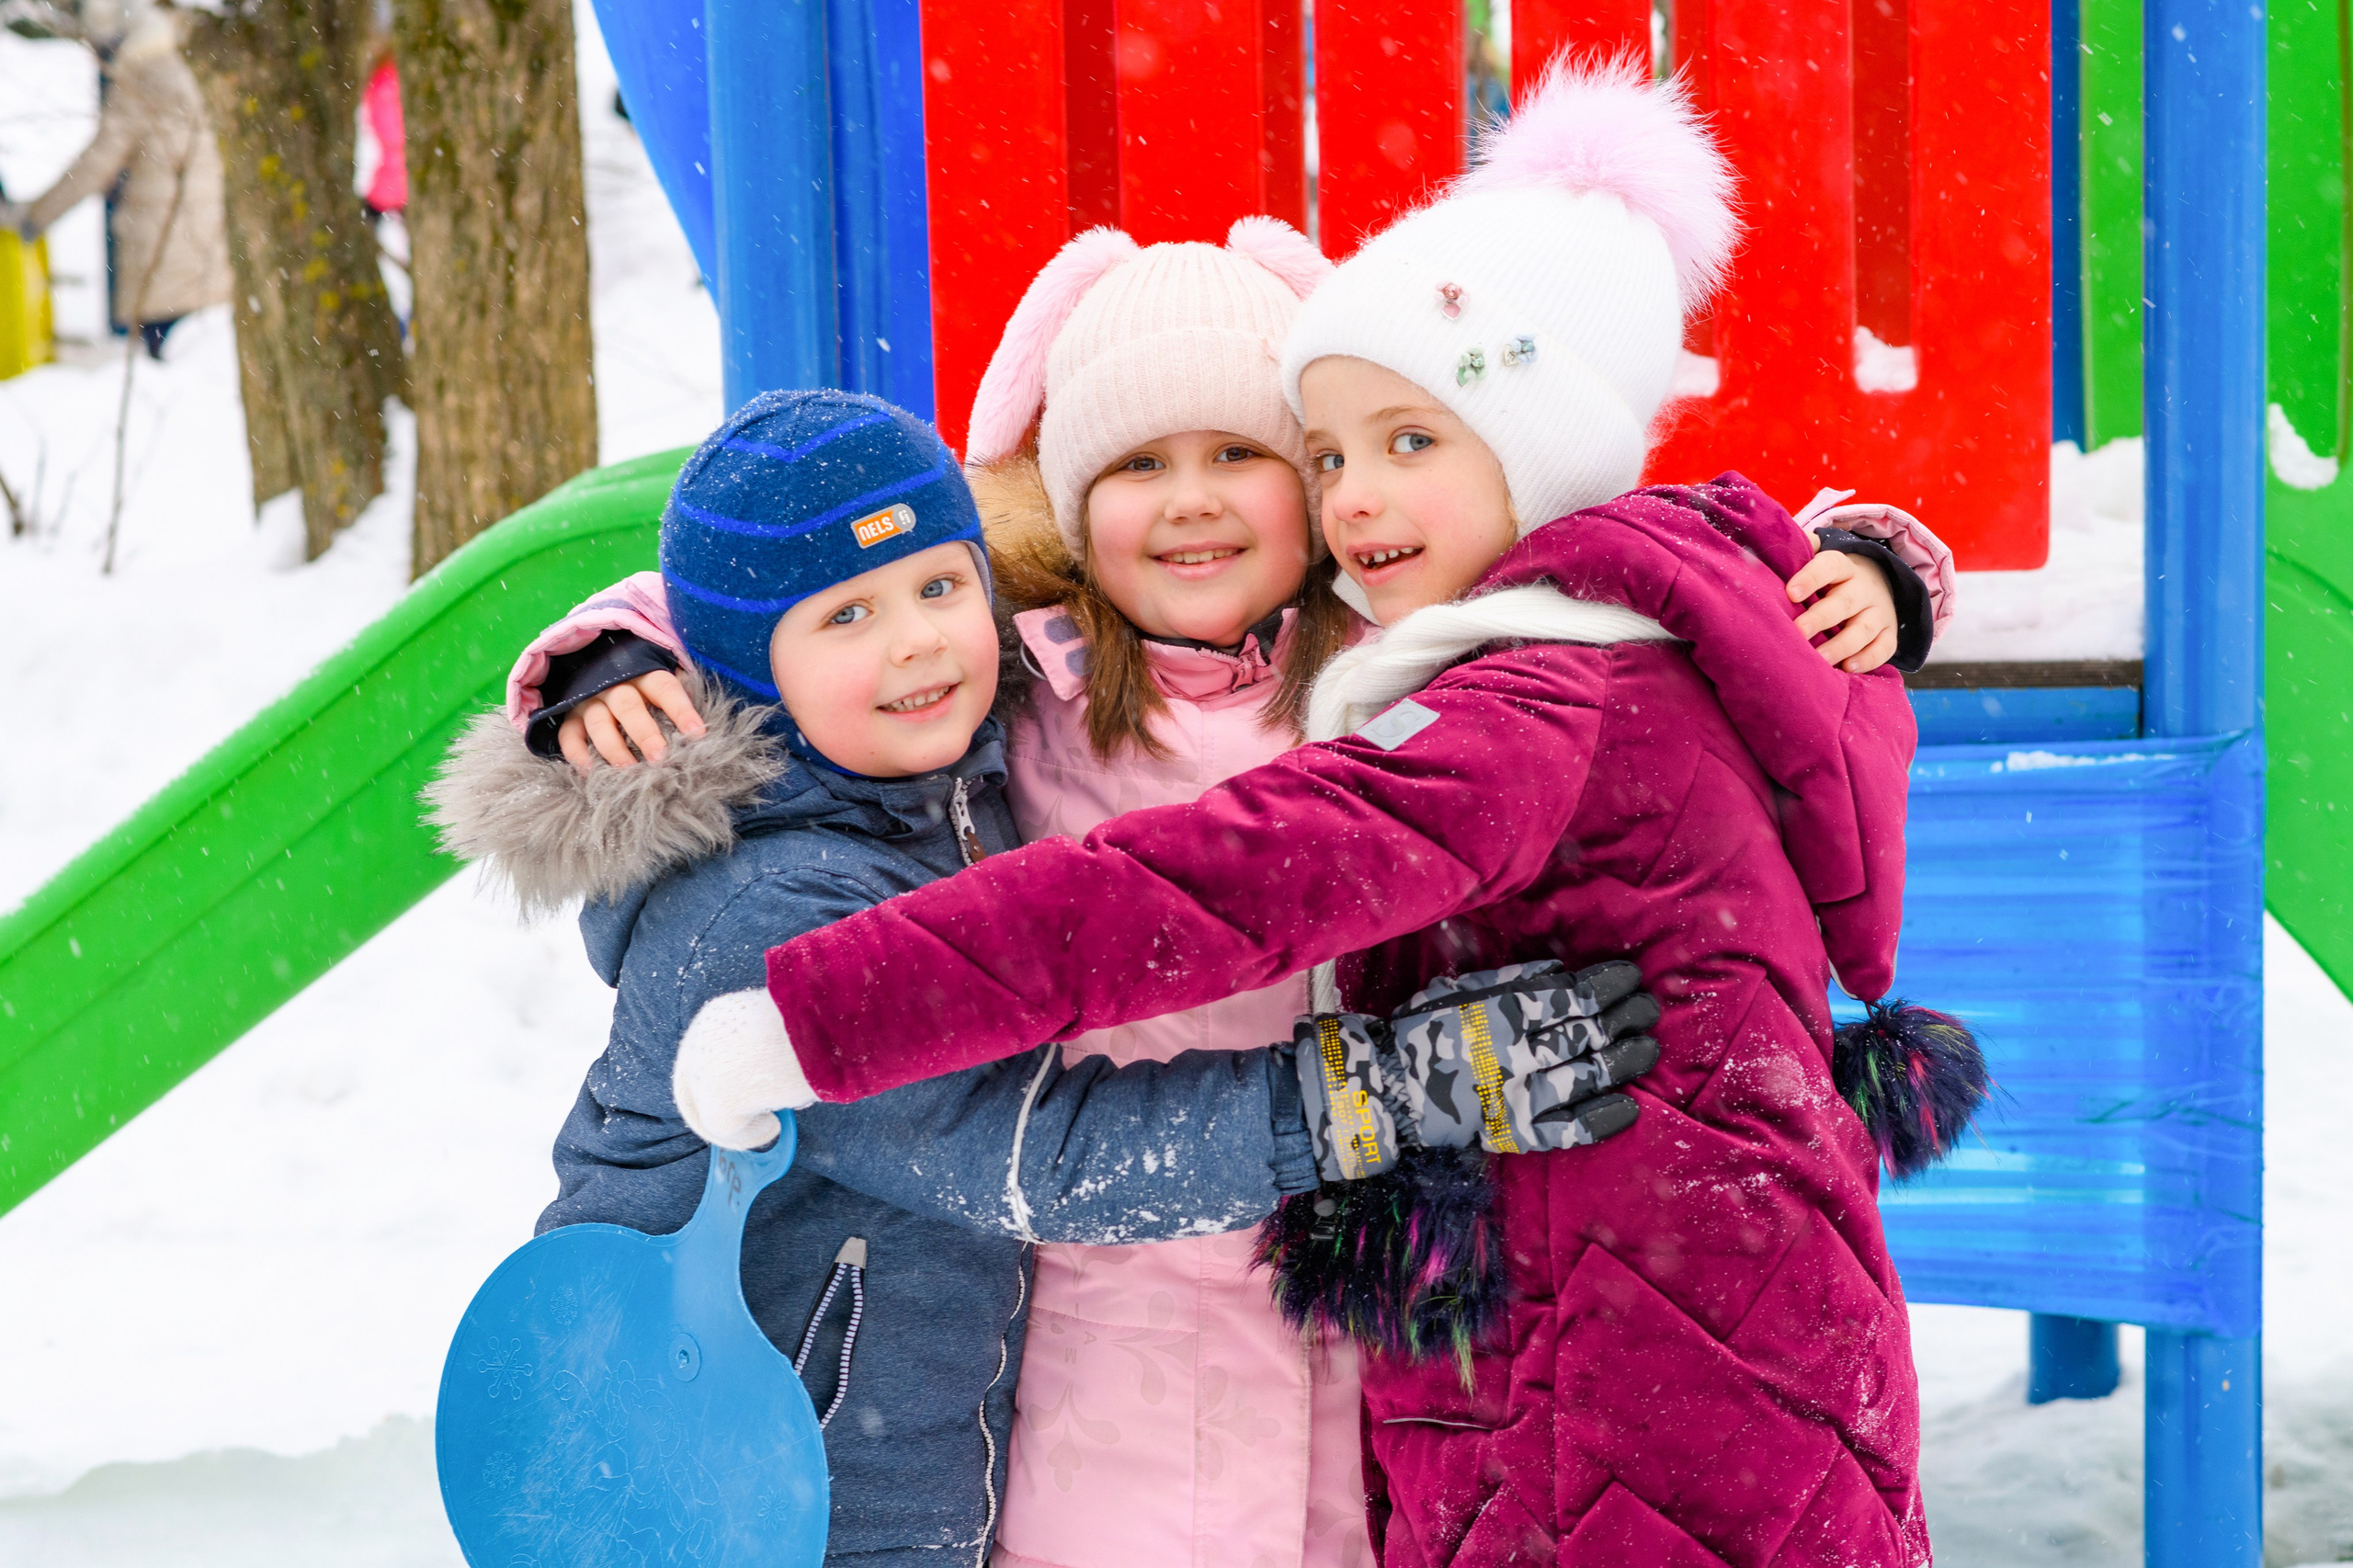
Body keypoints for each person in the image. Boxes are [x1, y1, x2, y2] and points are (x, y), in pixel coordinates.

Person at [663, 60, 1984, 1564]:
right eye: (1336, 451)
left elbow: (1212, 886)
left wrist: (1883, 562)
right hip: (1171, 1377)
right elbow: (794, 600)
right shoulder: (1022, 683)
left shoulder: (1461, 684)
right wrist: (620, 658)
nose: (1332, 493)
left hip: (1542, 1368)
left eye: (1272, 453)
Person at [426, 387, 1665, 1568]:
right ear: (743, 669)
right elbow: (1034, 1153)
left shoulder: (936, 781)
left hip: (879, 1458)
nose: (917, 640)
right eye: (847, 617)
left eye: (937, 585)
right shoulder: (770, 912)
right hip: (757, 1490)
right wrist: (1382, 1095)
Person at [2, 5, 229, 358]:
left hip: (163, 274)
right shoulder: (187, 66)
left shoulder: (141, 79)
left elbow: (96, 166)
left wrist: (32, 217)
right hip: (205, 268)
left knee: (160, 380)